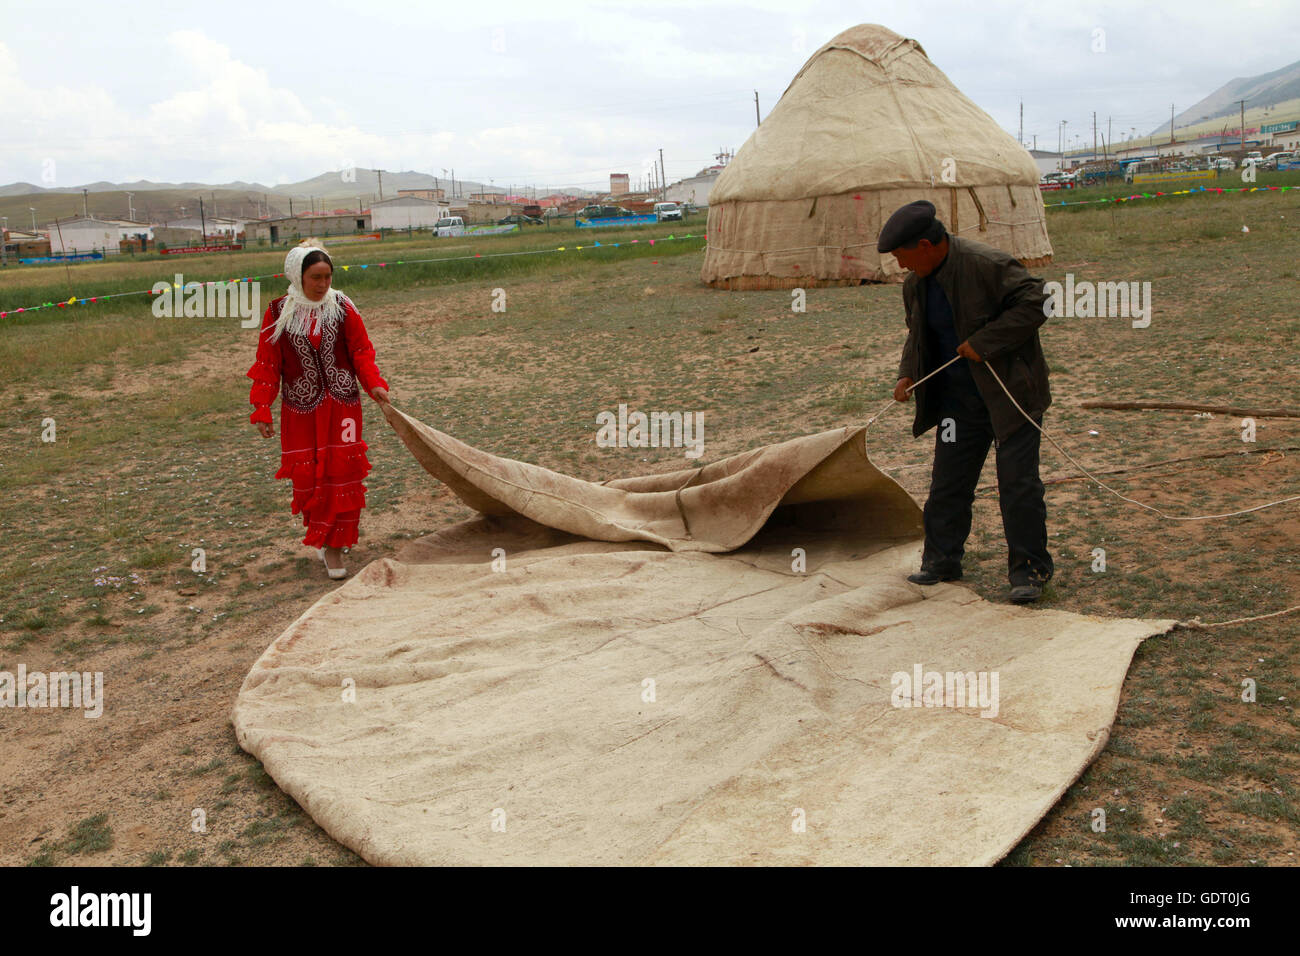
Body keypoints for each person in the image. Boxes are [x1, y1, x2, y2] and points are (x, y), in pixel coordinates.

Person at [880, 200, 1053, 604]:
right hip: (958, 402)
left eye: (901, 256)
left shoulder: (987, 264)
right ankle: (941, 561)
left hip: (1011, 394)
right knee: (948, 483)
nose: (900, 266)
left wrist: (984, 343)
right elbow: (917, 335)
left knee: (1017, 485)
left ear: (924, 245)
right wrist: (908, 373)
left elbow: (1040, 302)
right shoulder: (915, 284)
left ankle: (1029, 571)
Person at [247, 239, 390, 579]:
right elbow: (268, 363)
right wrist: (261, 407)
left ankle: (335, 547)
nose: (323, 284)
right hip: (301, 411)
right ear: (298, 276)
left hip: (343, 408)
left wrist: (374, 383)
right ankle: (325, 539)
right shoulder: (277, 312)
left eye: (327, 276)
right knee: (313, 479)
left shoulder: (342, 307)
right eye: (315, 277)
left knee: (341, 476)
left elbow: (360, 350)